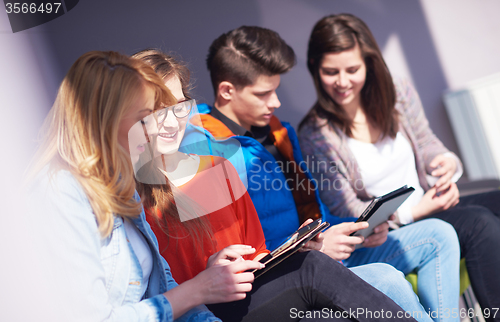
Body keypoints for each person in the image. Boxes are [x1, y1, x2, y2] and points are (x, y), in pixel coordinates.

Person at [131, 48, 430, 322]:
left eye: (178, 106)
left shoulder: (218, 169)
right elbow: (156, 290)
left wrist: (292, 248)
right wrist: (208, 276)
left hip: (257, 294)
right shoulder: (132, 196)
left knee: (379, 280)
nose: (170, 122)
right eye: (156, 110)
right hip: (209, 309)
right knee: (339, 275)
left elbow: (257, 253)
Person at [194, 26, 461, 322]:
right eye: (264, 93)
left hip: (317, 254)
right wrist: (310, 247)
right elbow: (224, 251)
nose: (276, 102)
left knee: (439, 234)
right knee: (387, 279)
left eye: (276, 89)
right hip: (279, 276)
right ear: (227, 91)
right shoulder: (204, 150)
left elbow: (309, 212)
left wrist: (354, 228)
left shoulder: (280, 133)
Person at [23, 50, 271, 322]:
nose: (157, 127)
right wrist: (201, 287)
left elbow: (164, 287)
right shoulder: (63, 191)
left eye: (177, 107)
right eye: (145, 117)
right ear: (101, 120)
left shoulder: (119, 185)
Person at [298, 13, 500, 322]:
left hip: (430, 203)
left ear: (369, 62)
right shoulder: (315, 134)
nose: (342, 81)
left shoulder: (398, 93)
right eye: (330, 72)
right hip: (392, 229)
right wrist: (412, 213)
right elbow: (347, 208)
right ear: (315, 67)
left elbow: (427, 141)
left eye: (352, 69)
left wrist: (446, 163)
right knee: (480, 222)